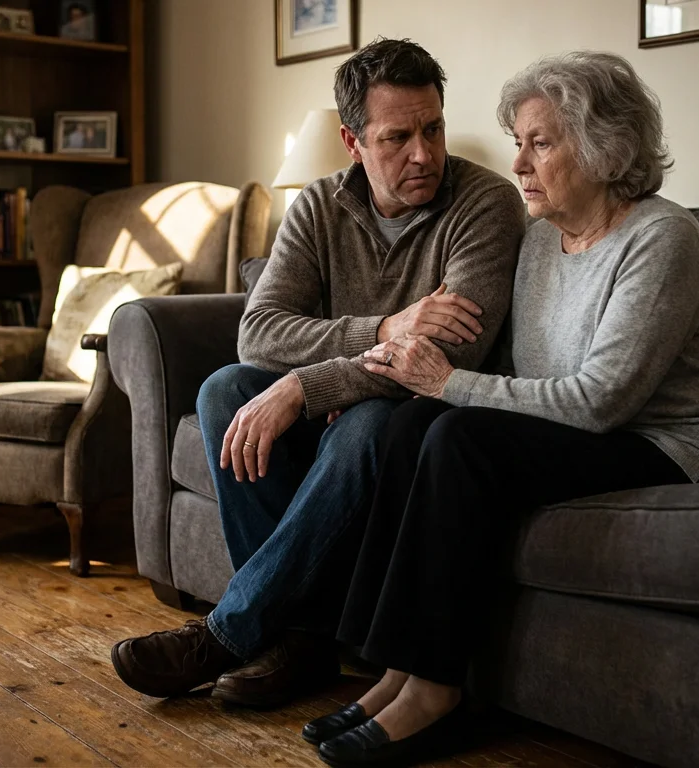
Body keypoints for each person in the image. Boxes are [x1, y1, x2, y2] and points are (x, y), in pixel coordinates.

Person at [299, 51, 699, 766]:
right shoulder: (540, 240)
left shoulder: (662, 239)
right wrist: (406, 384)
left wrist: (448, 382)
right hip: (578, 430)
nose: (518, 164)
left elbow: (600, 400)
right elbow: (517, 373)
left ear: (604, 148)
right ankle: (394, 668)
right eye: (519, 141)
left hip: (668, 444)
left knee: (461, 438)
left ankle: (438, 691)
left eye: (540, 143)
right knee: (412, 423)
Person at [110, 38, 526, 711]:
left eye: (433, 128)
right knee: (225, 390)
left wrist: (307, 384)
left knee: (366, 424)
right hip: (359, 391)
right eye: (397, 137)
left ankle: (229, 633)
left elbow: (452, 353)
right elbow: (258, 332)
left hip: (423, 416)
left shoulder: (485, 203)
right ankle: (301, 642)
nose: (423, 154)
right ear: (352, 142)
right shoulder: (317, 206)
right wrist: (384, 329)